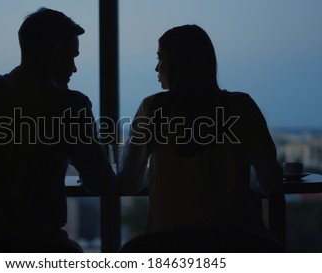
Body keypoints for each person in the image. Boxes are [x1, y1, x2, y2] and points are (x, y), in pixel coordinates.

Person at [0, 7, 115, 252]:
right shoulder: (69, 105)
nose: (74, 68)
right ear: (54, 53)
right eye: (71, 57)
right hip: (37, 248)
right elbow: (101, 182)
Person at [118, 25, 284, 252]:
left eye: (161, 58)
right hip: (237, 244)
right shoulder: (242, 107)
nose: (157, 68)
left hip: (168, 245)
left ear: (178, 63)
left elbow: (128, 182)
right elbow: (270, 183)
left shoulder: (153, 108)